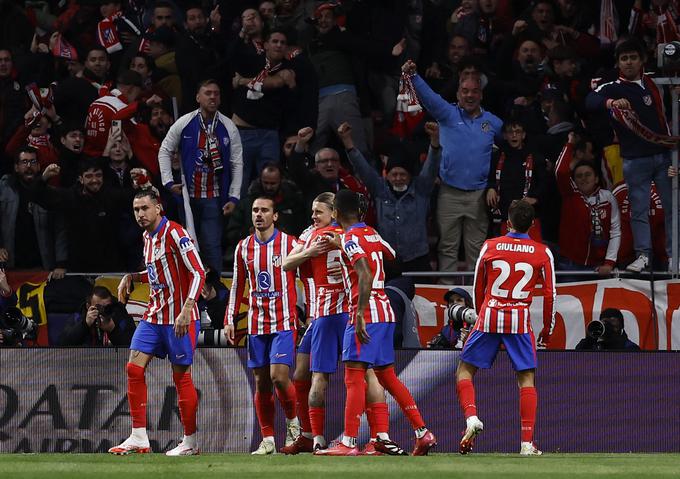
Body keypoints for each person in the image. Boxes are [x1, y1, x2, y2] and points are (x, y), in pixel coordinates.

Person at [281, 192, 404, 455]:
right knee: (304, 372)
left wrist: (345, 259)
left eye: (319, 212)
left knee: (347, 374)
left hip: (339, 311)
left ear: (334, 212)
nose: (314, 217)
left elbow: (369, 265)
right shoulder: (316, 233)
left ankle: (370, 436)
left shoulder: (345, 235)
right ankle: (311, 435)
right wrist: (311, 252)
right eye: (313, 212)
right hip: (322, 313)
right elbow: (286, 263)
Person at [317, 189, 436, 456]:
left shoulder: (348, 239)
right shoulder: (371, 233)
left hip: (366, 312)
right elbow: (390, 253)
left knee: (353, 376)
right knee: (386, 375)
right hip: (385, 311)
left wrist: (358, 314)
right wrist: (350, 245)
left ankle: (348, 443)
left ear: (335, 213)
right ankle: (422, 432)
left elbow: (366, 274)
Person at [109, 188, 206, 456]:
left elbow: (198, 272)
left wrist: (187, 308)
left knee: (181, 377)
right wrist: (134, 276)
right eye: (136, 209)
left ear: (158, 208)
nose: (140, 214)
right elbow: (158, 272)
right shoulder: (147, 237)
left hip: (179, 319)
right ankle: (139, 436)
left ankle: (190, 442)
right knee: (133, 368)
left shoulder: (175, 233)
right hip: (154, 315)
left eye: (144, 208)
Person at [455, 199, 555, 456]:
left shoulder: (490, 245)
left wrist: (480, 314)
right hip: (519, 320)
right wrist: (547, 328)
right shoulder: (542, 252)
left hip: (489, 316)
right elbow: (550, 293)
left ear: (507, 222)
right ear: (532, 224)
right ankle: (526, 443)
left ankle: (471, 418)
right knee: (526, 379)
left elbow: (478, 285)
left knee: (465, 371)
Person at [404, 59, 503, 273]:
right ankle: (447, 295)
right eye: (465, 91)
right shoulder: (447, 114)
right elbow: (429, 98)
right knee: (447, 248)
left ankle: (477, 296)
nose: (469, 95)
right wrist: (413, 76)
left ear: (481, 94)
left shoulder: (494, 123)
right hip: (449, 193)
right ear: (458, 94)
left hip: (479, 194)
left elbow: (506, 152)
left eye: (474, 91)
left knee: (477, 250)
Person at [586, 38, 675, 272]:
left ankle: (674, 255)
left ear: (642, 60)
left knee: (672, 207)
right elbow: (591, 100)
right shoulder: (613, 86)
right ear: (618, 63)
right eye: (624, 59)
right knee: (639, 210)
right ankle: (643, 255)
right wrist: (611, 102)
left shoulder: (656, 81)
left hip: (665, 155)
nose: (628, 63)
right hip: (636, 160)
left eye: (633, 57)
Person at [224, 196, 300, 455]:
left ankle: (293, 424)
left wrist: (311, 311)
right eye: (255, 210)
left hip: (284, 321)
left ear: (275, 216)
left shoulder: (290, 243)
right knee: (261, 383)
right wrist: (230, 318)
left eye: (264, 210)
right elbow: (237, 285)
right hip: (257, 323)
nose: (259, 214)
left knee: (279, 377)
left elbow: (308, 277)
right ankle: (267, 439)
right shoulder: (243, 248)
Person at [158, 79, 244, 272]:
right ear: (198, 97)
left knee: (212, 245)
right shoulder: (184, 122)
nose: (212, 97)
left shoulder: (228, 126)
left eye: (216, 93)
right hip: (187, 196)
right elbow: (164, 150)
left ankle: (216, 292)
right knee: (187, 244)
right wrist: (168, 182)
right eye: (208, 93)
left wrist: (234, 196)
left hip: (213, 197)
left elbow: (237, 163)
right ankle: (192, 286)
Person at [337, 120, 441, 273]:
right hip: (387, 259)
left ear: (410, 176)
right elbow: (363, 168)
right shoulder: (380, 189)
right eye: (394, 174)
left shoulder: (420, 189)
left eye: (403, 174)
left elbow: (431, 166)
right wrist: (347, 141)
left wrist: (434, 141)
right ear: (387, 175)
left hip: (417, 258)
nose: (398, 178)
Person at [555, 132, 620, 275]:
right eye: (579, 176)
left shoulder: (608, 198)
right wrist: (570, 144)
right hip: (570, 265)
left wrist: (609, 263)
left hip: (599, 266)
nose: (583, 179)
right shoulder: (571, 194)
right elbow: (560, 171)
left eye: (588, 174)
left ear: (597, 178)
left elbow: (615, 232)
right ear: (574, 181)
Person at [60, 285, 136, 346]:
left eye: (107, 307)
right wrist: (85, 325)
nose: (103, 311)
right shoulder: (78, 317)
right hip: (86, 360)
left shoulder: (121, 315)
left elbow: (133, 347)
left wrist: (113, 330)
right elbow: (63, 344)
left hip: (115, 361)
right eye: (99, 307)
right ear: (88, 306)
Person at [575, 308, 641, 351]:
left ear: (621, 326)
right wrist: (589, 339)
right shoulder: (595, 346)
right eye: (605, 323)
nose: (609, 326)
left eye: (612, 321)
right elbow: (576, 358)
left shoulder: (631, 348)